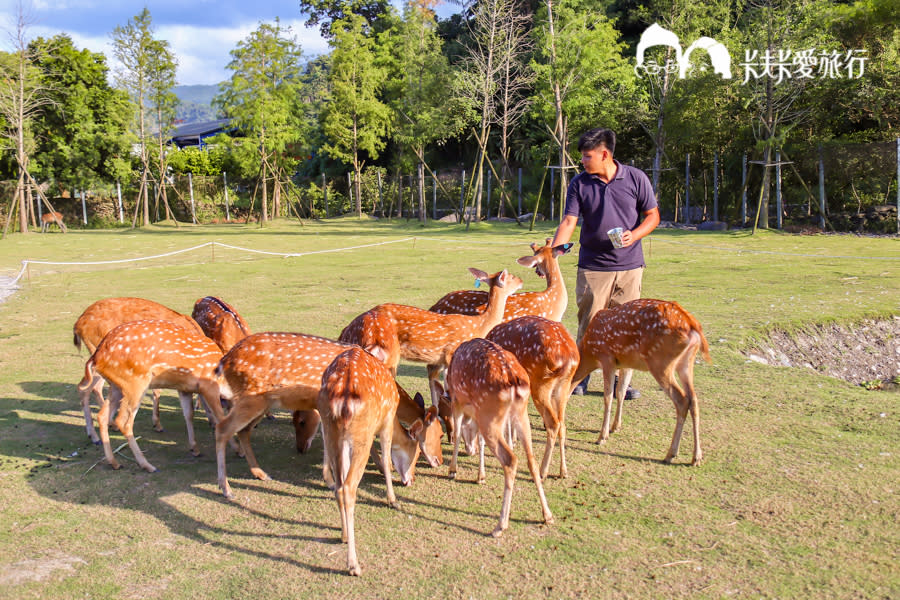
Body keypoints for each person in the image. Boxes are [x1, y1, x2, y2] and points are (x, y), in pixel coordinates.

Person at [550, 127, 660, 396]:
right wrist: (551, 256)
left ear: (605, 154)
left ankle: (621, 382)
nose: (583, 162)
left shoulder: (636, 178)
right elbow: (568, 222)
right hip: (593, 268)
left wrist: (633, 236)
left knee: (625, 327)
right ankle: (582, 375)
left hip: (630, 267)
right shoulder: (579, 184)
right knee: (589, 323)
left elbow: (653, 216)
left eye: (587, 156)